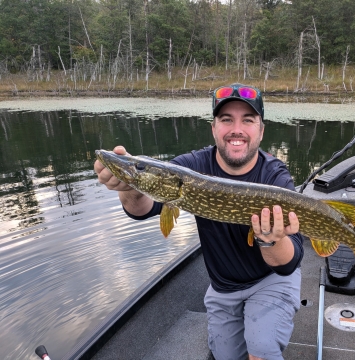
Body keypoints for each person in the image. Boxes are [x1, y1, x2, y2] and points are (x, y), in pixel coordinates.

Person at [94, 83, 304, 360]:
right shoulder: (188, 168)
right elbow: (143, 209)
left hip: (271, 279)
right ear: (214, 128)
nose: (236, 129)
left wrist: (269, 238)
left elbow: (289, 262)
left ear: (261, 131)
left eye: (248, 120)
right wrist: (131, 188)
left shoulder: (275, 175)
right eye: (226, 119)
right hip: (223, 287)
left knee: (261, 352)